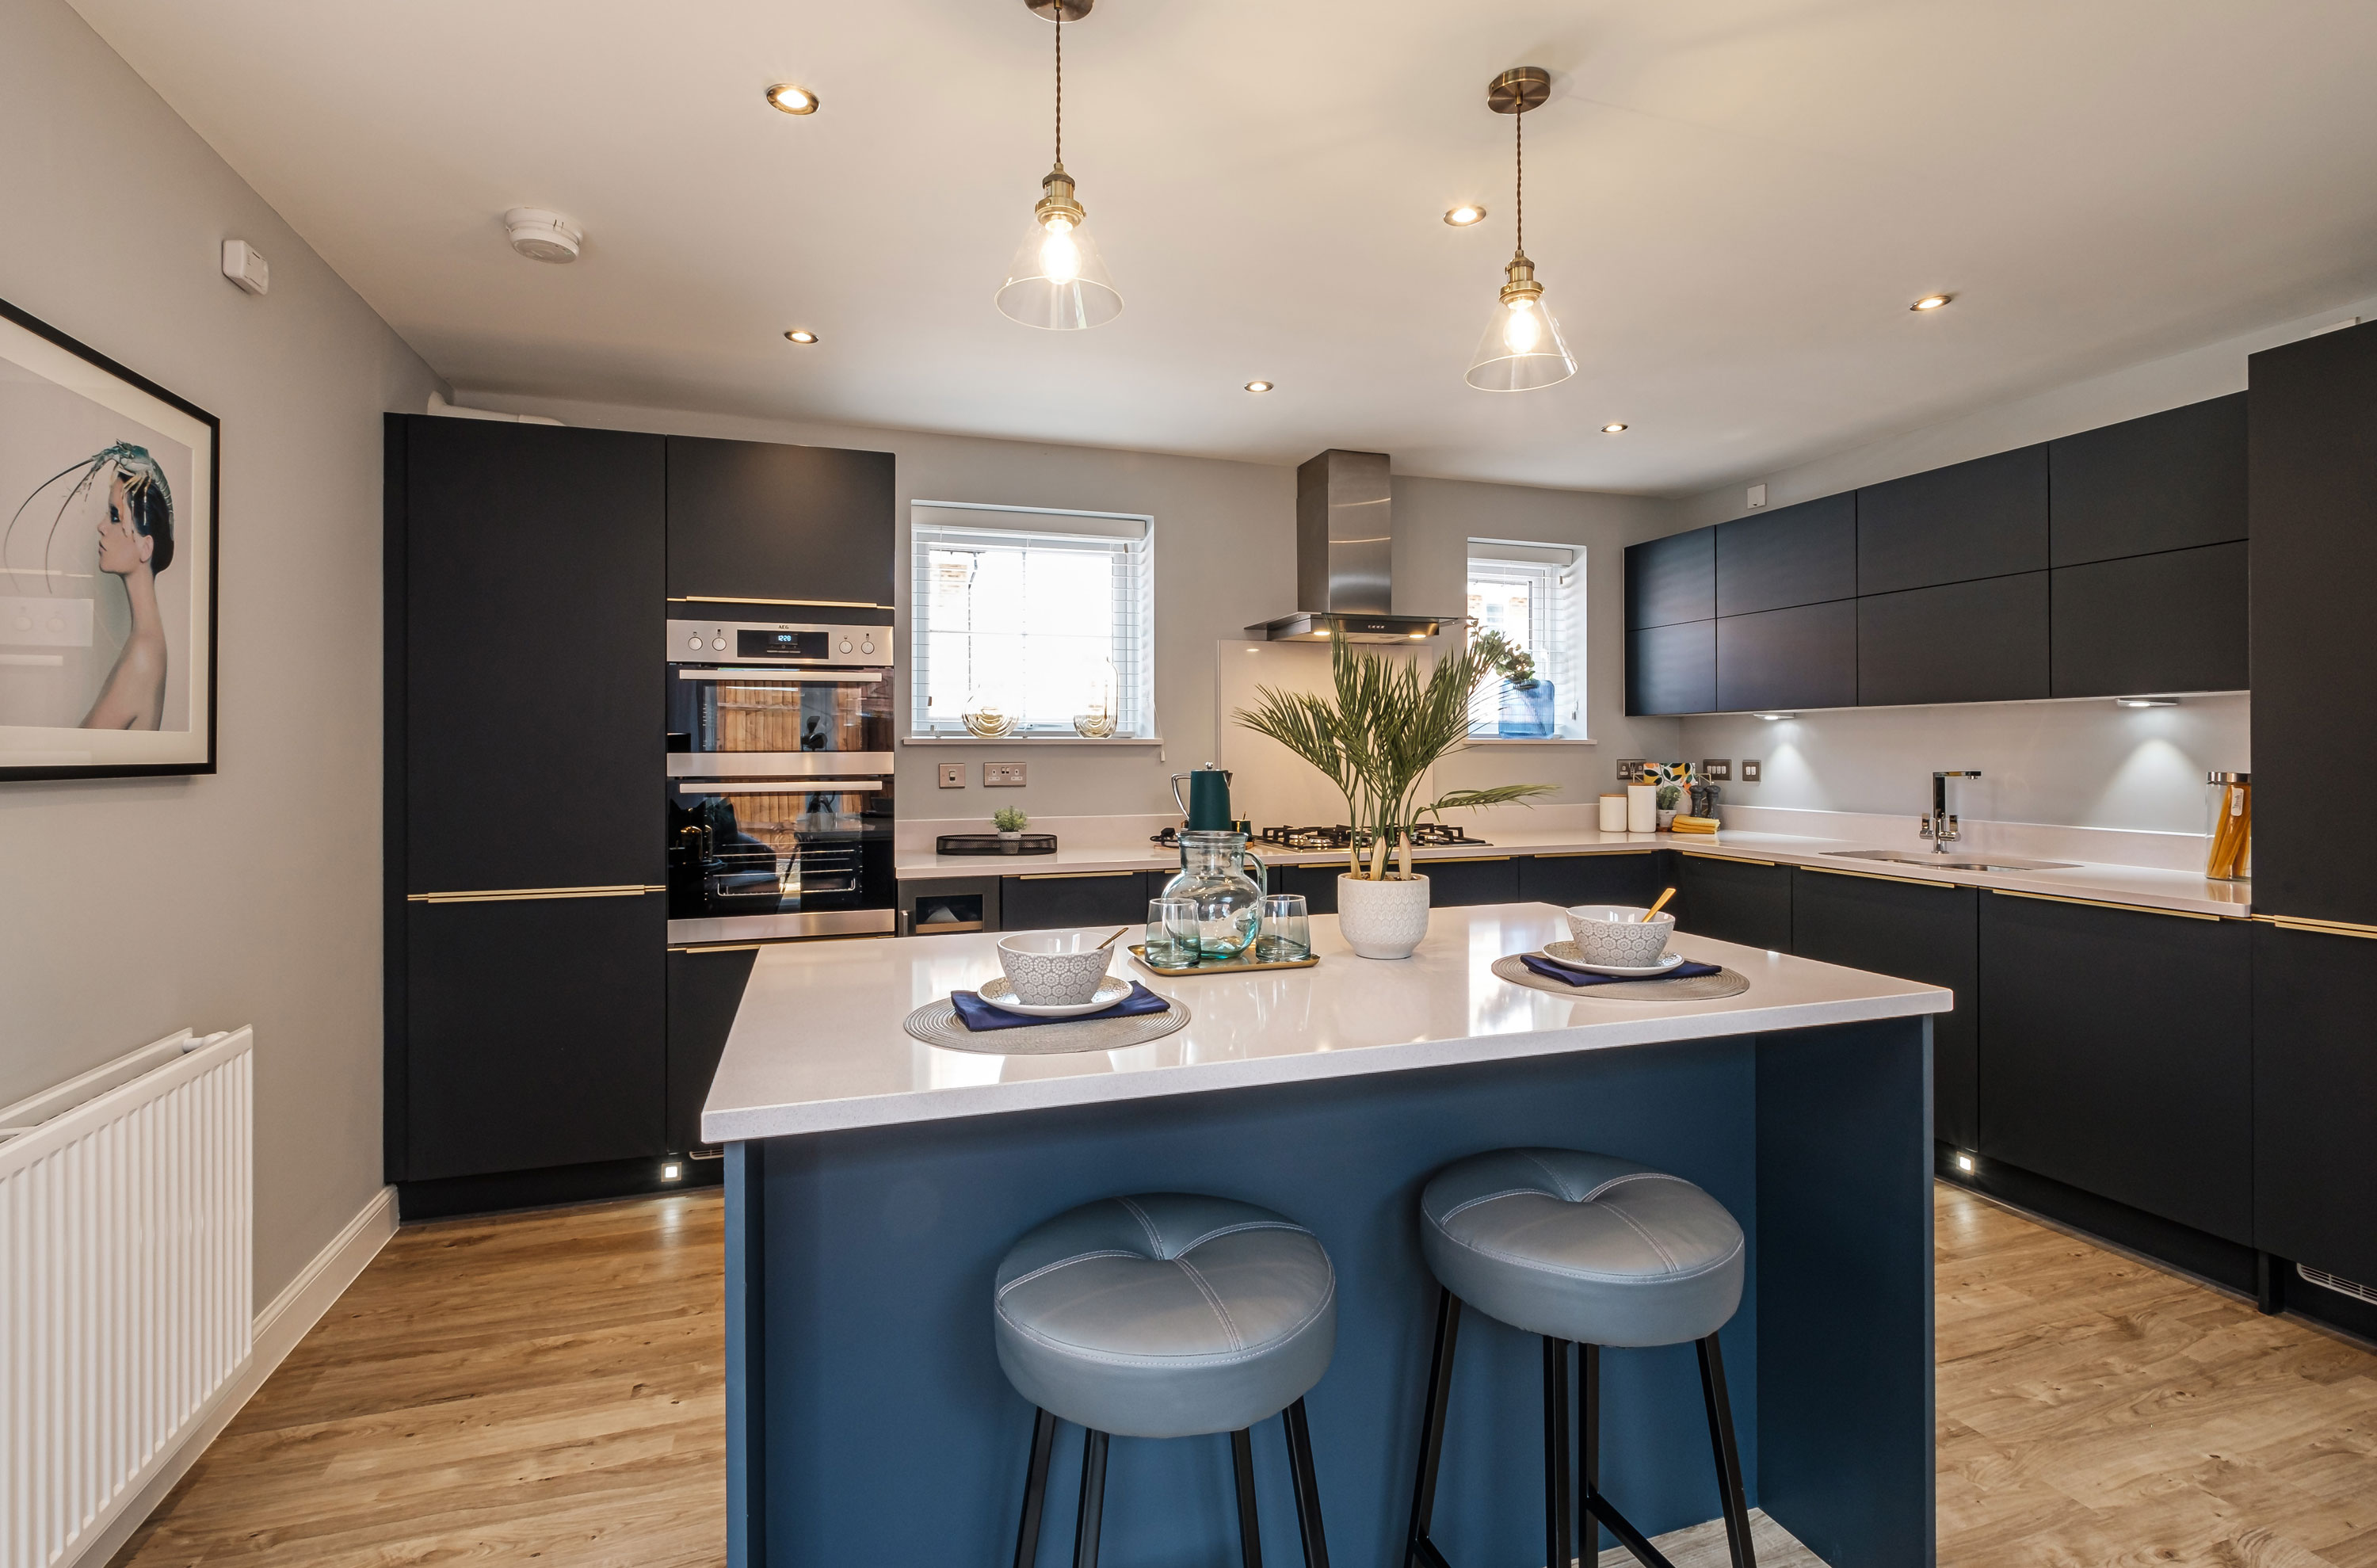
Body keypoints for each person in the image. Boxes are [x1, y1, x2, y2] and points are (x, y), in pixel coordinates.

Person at [1, 442, 175, 731]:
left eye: (115, 516)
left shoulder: (143, 654)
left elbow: (80, 754)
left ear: (146, 548)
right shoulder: (148, 643)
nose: (101, 526)